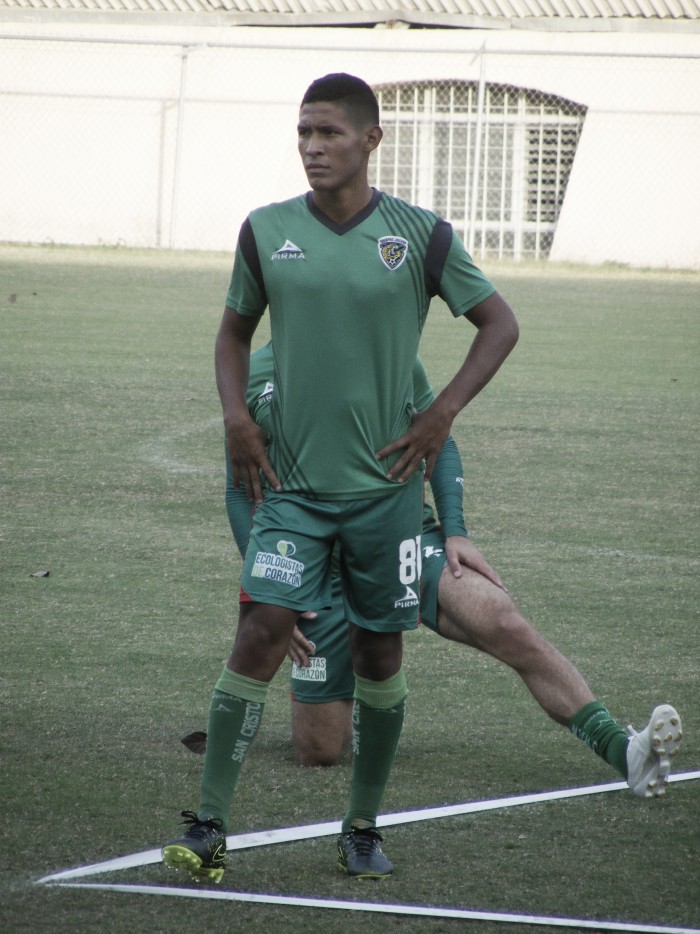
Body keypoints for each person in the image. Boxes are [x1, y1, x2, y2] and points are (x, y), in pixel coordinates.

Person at [161, 72, 519, 883]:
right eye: (303, 134)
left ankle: (361, 827)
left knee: (379, 655)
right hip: (292, 497)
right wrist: (236, 418)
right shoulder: (266, 231)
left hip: (385, 502)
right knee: (257, 632)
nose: (313, 148)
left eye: (328, 134)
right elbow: (230, 335)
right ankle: (210, 825)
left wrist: (443, 413)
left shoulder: (419, 236)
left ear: (370, 140)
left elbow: (500, 323)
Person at [198, 344, 683, 798]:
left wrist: (455, 530)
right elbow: (240, 491)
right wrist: (274, 594)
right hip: (313, 563)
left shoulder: (389, 355)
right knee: (319, 751)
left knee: (502, 620)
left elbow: (440, 441)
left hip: (400, 540)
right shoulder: (253, 371)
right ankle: (359, 654)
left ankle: (624, 752)